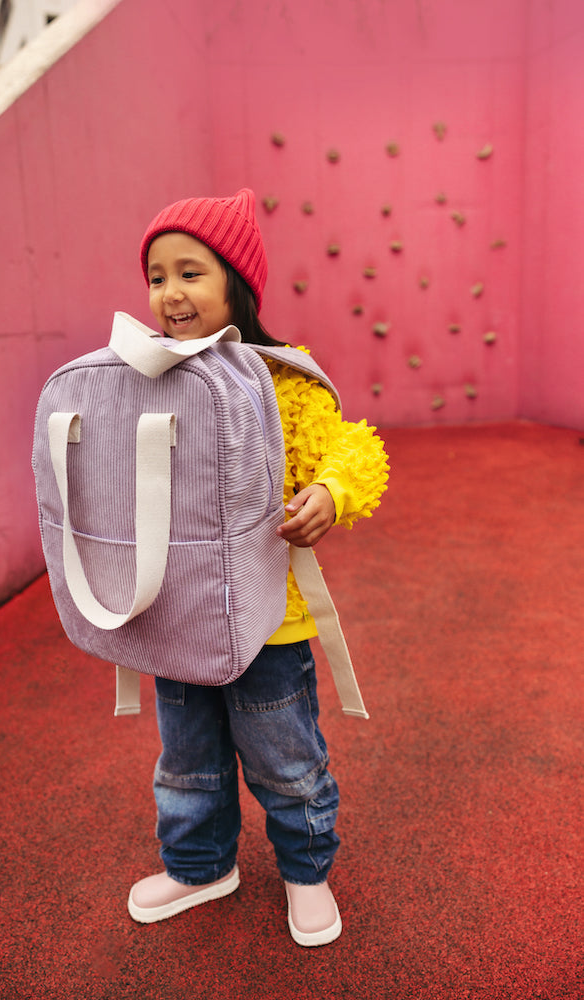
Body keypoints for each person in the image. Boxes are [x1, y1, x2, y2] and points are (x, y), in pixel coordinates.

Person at [127, 189, 389, 947]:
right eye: (155, 276)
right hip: (178, 616)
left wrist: (330, 492)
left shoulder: (284, 378)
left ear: (236, 281)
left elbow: (353, 446)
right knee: (186, 760)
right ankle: (201, 865)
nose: (169, 293)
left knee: (285, 759)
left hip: (272, 621)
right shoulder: (147, 377)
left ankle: (306, 874)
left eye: (190, 272)